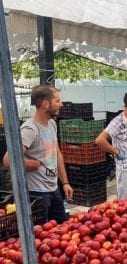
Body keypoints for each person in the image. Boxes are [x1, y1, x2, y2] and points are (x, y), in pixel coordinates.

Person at [3, 85, 73, 223]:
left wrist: (65, 182)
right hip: (36, 194)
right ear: (45, 104)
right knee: (42, 235)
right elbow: (7, 160)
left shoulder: (52, 124)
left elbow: (57, 153)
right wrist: (29, 163)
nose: (61, 104)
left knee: (61, 229)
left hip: (53, 189)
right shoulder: (30, 129)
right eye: (57, 101)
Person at [96, 91, 127, 199]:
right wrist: (116, 151)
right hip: (125, 169)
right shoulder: (117, 121)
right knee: (125, 203)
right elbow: (100, 140)